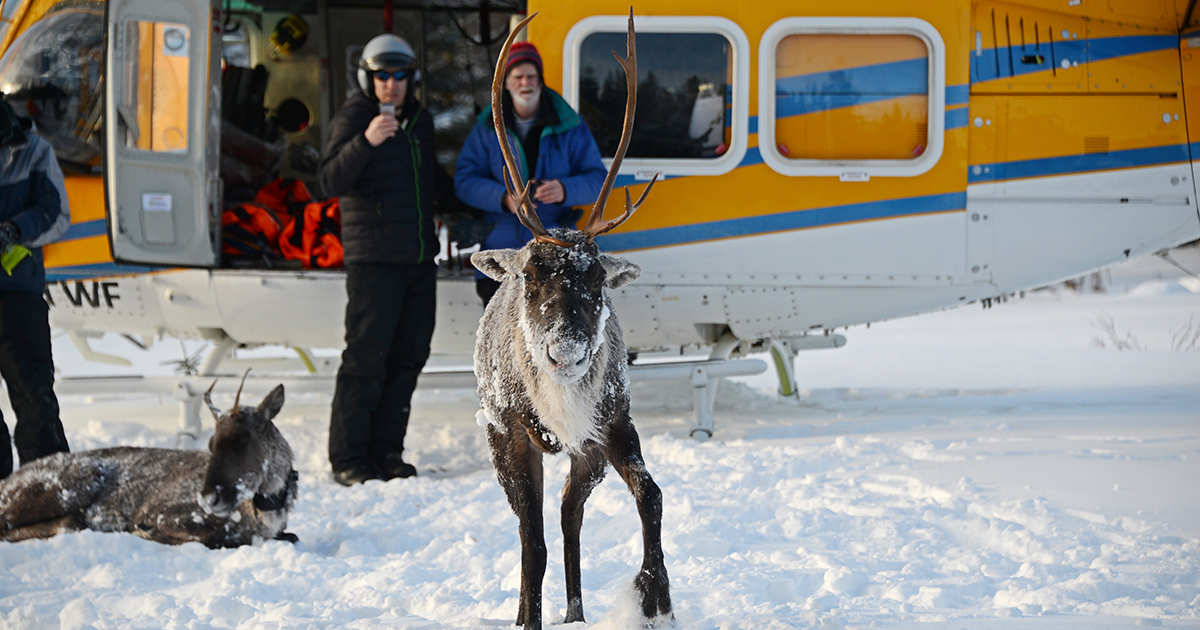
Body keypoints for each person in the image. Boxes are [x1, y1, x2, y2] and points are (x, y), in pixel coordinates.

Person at [318, 34, 450, 486]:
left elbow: (433, 180)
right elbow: (328, 179)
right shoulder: (355, 118)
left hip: (417, 259)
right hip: (373, 260)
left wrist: (492, 202)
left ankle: (386, 452)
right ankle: (349, 459)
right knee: (366, 359)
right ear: (368, 78)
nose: (390, 85)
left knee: (408, 356)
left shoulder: (421, 121)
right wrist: (366, 142)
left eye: (398, 76)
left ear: (410, 79)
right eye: (381, 76)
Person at [455, 41, 607, 305]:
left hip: (557, 255)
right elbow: (465, 181)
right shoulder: (486, 128)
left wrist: (564, 190)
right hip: (503, 255)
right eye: (518, 76)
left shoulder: (570, 125)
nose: (526, 83)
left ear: (540, 80)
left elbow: (598, 179)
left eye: (531, 76)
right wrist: (504, 198)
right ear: (506, 83)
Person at [0, 97, 71, 479]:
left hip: (17, 295)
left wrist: (14, 230)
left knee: (34, 394)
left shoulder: (33, 152)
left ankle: (48, 486)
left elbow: (56, 211)